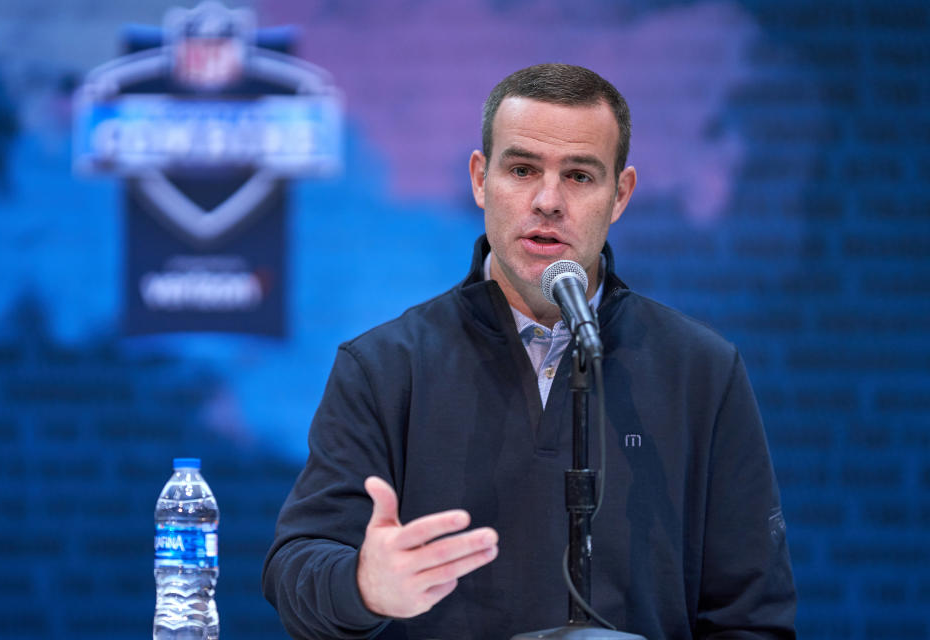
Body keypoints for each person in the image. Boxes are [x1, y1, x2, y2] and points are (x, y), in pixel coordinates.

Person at [263, 63, 797, 640]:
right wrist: (366, 587)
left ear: (620, 195)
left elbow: (751, 616)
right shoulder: (386, 367)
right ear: (479, 178)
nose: (547, 200)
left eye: (579, 177)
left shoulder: (702, 371)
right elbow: (295, 568)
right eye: (521, 170)